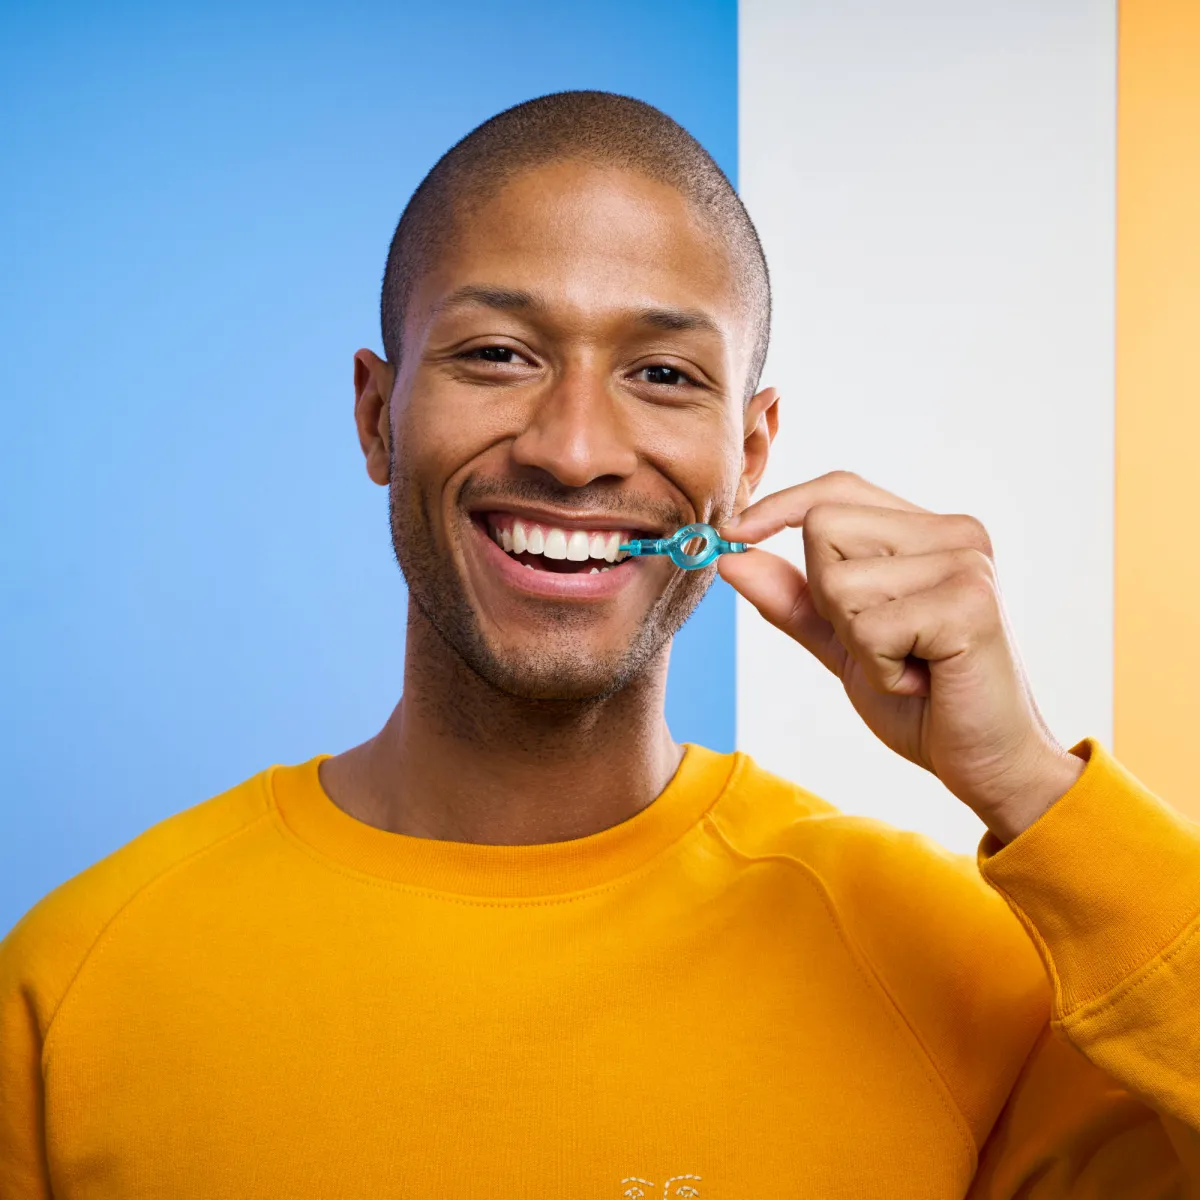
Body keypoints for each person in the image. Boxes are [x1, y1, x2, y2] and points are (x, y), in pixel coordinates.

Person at [1, 90, 1197, 1199]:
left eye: (663, 374)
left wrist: (1030, 783)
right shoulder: (77, 984)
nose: (573, 451)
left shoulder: (961, 978)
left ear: (750, 455)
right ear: (377, 416)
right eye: (498, 355)